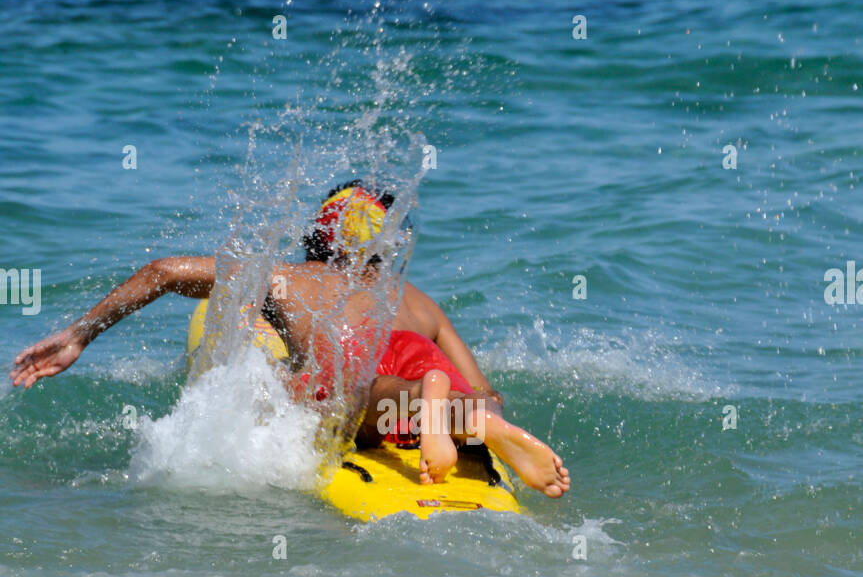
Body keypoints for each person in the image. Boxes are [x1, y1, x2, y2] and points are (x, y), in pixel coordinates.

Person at [11, 183, 569, 497]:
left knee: (329, 395)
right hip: (426, 364)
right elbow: (489, 387)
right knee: (470, 401)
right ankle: (468, 421)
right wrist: (487, 405)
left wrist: (80, 333)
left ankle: (425, 399)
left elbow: (163, 272)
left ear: (316, 241)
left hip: (376, 384)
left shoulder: (288, 278)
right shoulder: (418, 300)